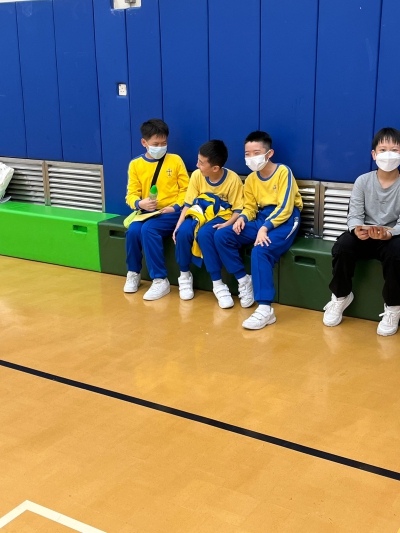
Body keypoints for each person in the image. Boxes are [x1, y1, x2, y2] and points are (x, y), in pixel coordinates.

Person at [215, 131, 303, 330]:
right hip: (262, 218)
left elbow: (286, 207)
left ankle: (265, 309)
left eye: (256, 153)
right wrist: (242, 219)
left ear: (269, 153)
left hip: (286, 220)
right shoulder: (251, 179)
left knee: (260, 250)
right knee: (222, 235)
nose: (251, 158)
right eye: (247, 154)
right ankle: (244, 280)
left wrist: (265, 227)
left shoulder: (283, 172)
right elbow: (250, 207)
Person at [323, 127, 400, 336]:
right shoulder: (363, 181)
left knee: (397, 253)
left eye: (394, 150)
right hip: (365, 236)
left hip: (392, 237)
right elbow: (354, 214)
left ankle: (393, 308)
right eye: (383, 150)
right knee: (343, 246)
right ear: (374, 154)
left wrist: (389, 233)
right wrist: (357, 230)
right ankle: (341, 296)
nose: (389, 154)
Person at [173, 140, 243, 307]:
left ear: (215, 168)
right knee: (182, 232)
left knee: (205, 234)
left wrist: (227, 225)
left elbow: (238, 210)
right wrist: (178, 226)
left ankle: (217, 284)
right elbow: (188, 204)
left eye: (201, 163)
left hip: (222, 216)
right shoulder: (197, 175)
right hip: (199, 214)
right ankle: (184, 275)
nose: (197, 165)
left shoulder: (233, 179)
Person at [124, 118, 189, 300]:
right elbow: (131, 194)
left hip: (172, 212)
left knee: (149, 229)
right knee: (133, 231)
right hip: (147, 213)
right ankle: (133, 272)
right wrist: (140, 204)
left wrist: (175, 207)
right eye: (155, 144)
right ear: (144, 143)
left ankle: (160, 280)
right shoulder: (135, 164)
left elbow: (187, 190)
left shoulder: (175, 160)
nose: (160, 147)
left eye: (164, 143)